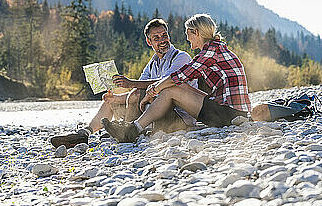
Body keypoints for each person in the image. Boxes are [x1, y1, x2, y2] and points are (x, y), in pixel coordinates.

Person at [102, 13, 255, 143]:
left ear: (196, 33)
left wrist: (153, 89)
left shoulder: (210, 52)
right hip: (228, 109)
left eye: (188, 33)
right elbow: (182, 81)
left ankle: (133, 130)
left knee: (170, 90)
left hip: (231, 115)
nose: (187, 38)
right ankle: (132, 126)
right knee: (175, 87)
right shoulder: (215, 48)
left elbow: (178, 77)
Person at [51, 18, 197, 148]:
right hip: (155, 113)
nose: (162, 40)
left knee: (135, 92)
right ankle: (84, 133)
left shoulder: (181, 57)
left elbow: (164, 83)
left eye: (164, 35)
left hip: (179, 118)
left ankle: (126, 131)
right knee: (111, 100)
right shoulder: (153, 63)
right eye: (156, 38)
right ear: (149, 42)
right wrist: (116, 98)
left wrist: (130, 83)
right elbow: (141, 87)